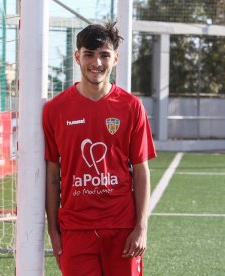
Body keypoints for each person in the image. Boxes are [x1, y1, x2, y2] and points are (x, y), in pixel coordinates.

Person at [43, 21, 156, 276]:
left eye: (104, 55)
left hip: (122, 228)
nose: (97, 63)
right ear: (77, 57)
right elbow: (52, 174)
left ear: (115, 58)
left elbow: (141, 170)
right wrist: (53, 230)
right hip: (75, 229)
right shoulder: (55, 110)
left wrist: (141, 227)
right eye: (89, 55)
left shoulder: (131, 107)